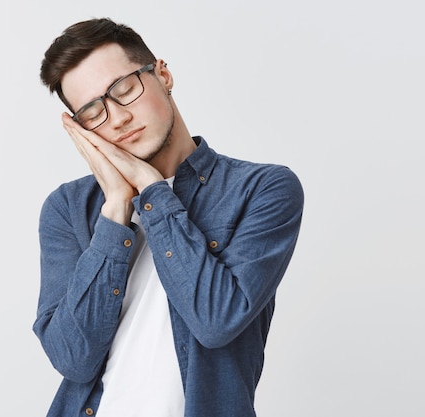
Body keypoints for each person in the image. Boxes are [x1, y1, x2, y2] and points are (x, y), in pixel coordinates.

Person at [32, 17, 304, 417]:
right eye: (93, 112)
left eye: (125, 90)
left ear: (163, 73)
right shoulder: (68, 208)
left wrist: (152, 188)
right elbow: (72, 359)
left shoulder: (263, 189)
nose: (118, 118)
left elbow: (217, 321)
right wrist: (115, 210)